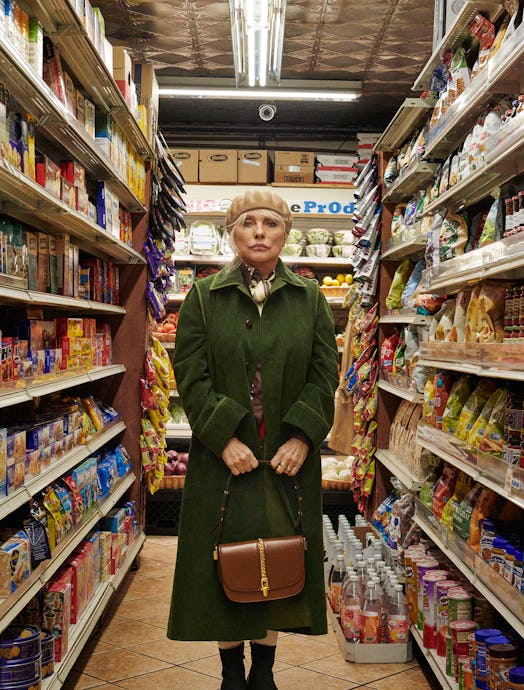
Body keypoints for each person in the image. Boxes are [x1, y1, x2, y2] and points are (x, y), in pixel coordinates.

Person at [167, 189, 339, 689]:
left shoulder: (309, 299)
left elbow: (325, 372)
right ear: (232, 231)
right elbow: (190, 375)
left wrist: (304, 437)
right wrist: (222, 437)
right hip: (224, 459)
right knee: (224, 554)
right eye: (248, 222)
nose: (259, 232)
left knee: (277, 555)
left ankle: (263, 670)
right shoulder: (203, 297)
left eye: (270, 222)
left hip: (285, 459)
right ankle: (229, 673)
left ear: (286, 233)